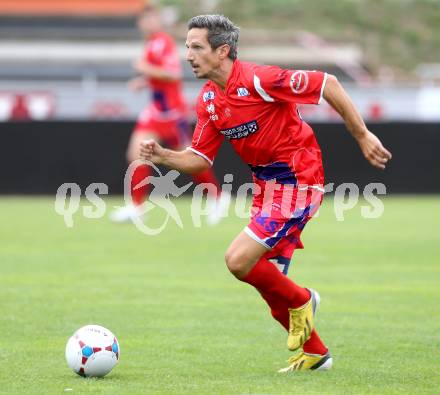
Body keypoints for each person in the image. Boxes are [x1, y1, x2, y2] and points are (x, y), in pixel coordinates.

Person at [140, 15, 392, 372]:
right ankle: (316, 354)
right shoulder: (209, 100)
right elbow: (199, 161)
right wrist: (164, 156)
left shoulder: (260, 79)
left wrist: (363, 135)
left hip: (298, 179)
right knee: (270, 285)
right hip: (267, 188)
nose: (189, 55)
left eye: (196, 47)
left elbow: (329, 84)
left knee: (238, 260)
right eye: (188, 47)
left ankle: (305, 299)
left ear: (222, 51)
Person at [110, 5, 226, 224]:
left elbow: (173, 74)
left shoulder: (163, 42)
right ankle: (137, 206)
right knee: (136, 153)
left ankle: (217, 197)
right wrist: (144, 81)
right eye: (145, 20)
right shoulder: (151, 42)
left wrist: (145, 69)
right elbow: (159, 75)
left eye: (152, 19)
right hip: (156, 112)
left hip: (172, 114)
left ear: (158, 21)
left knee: (190, 159)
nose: (148, 23)